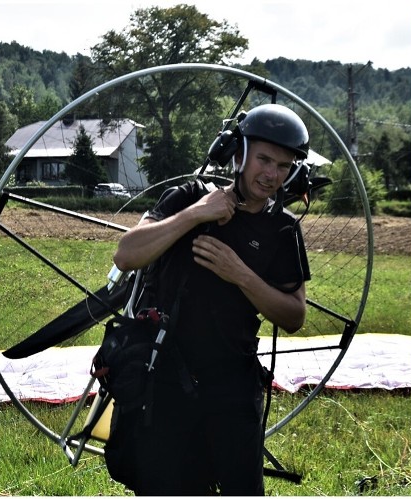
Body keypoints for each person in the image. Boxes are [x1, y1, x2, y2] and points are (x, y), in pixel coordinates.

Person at [111, 103, 311, 495]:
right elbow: (126, 254)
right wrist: (195, 214)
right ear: (238, 154)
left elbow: (294, 316)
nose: (272, 174)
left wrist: (240, 275)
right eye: (264, 160)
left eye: (284, 166)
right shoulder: (187, 197)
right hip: (164, 378)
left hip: (233, 385)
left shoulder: (283, 230)